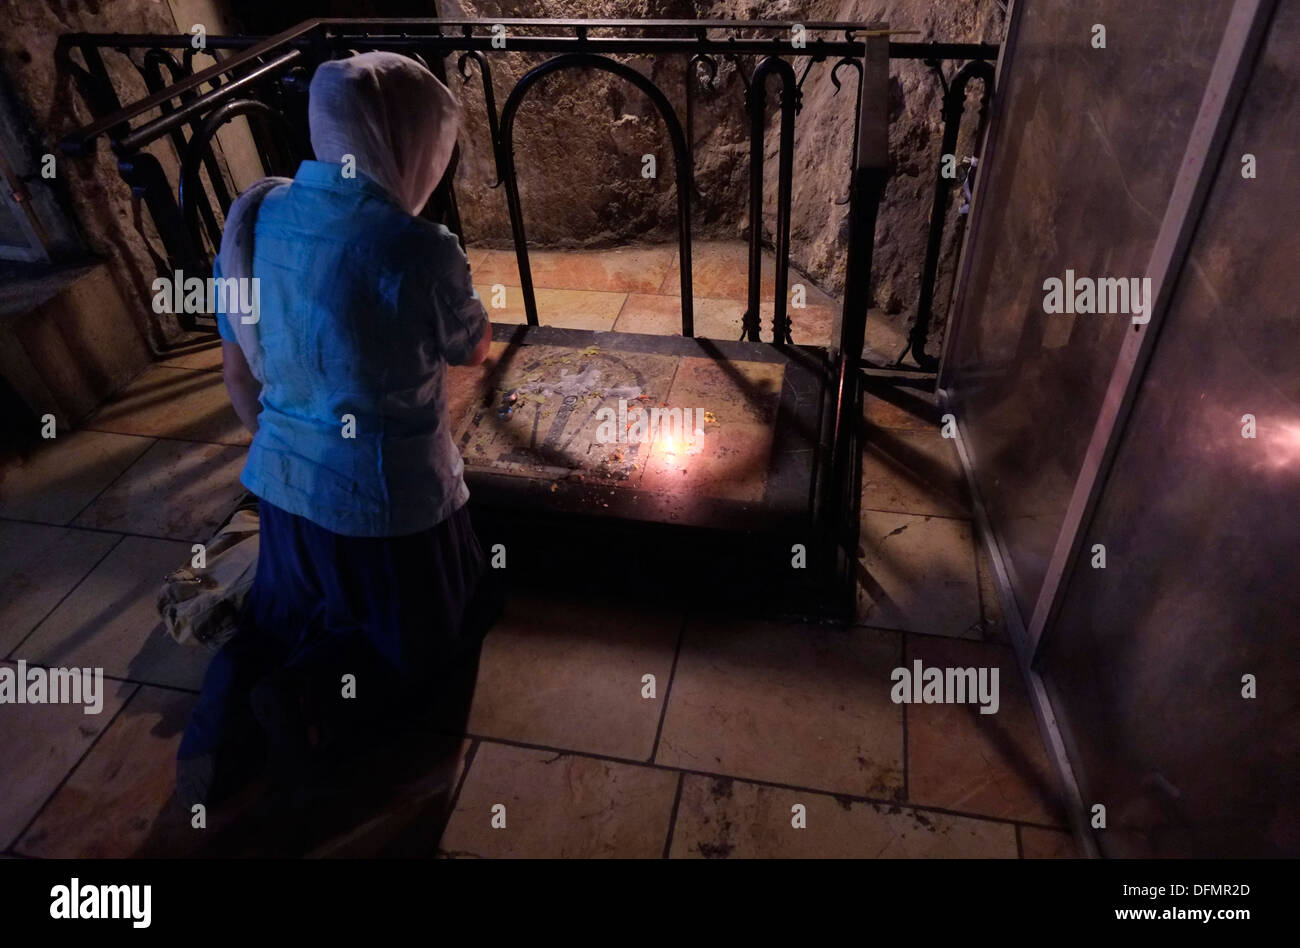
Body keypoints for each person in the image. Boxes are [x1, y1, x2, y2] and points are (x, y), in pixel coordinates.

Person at [177, 51, 495, 807]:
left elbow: (237, 363)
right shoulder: (419, 248)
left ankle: (216, 734)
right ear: (414, 145)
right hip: (389, 509)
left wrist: (284, 440)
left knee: (282, 614)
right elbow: (471, 346)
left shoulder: (255, 210)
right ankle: (311, 702)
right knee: (420, 638)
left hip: (285, 491)